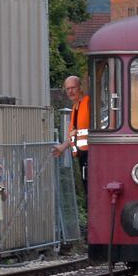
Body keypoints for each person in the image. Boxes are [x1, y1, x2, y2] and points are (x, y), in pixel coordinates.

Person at [52, 75, 90, 208]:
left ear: (80, 88)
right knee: (87, 191)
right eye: (67, 89)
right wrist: (62, 147)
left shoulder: (88, 103)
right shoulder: (75, 108)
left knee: (91, 190)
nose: (70, 91)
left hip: (92, 154)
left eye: (73, 88)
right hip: (82, 156)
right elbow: (74, 134)